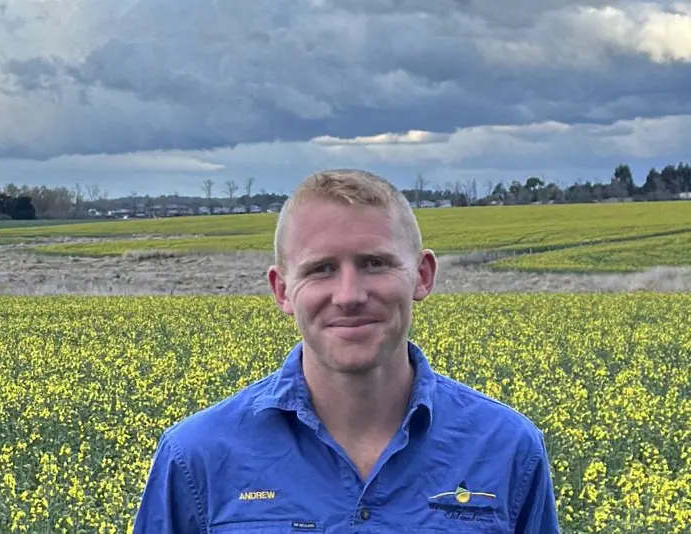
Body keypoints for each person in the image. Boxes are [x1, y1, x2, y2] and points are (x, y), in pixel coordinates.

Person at [132, 169, 560, 533]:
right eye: (321, 269)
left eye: (375, 263)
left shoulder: (507, 448)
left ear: (422, 276)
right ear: (282, 290)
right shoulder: (195, 458)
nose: (350, 295)